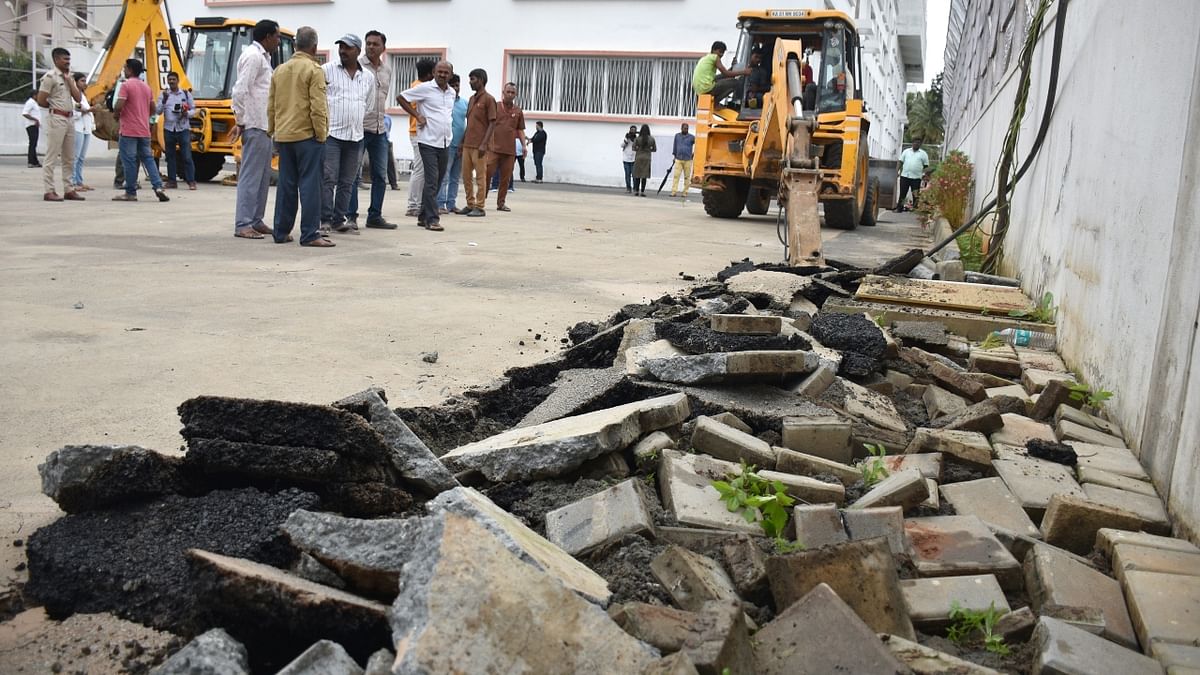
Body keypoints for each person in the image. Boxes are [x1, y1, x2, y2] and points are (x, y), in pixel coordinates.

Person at [268, 26, 331, 247]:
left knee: (286, 185)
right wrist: (321, 135)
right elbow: (318, 107)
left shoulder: (279, 70)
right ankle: (310, 234)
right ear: (314, 46)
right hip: (307, 136)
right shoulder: (314, 70)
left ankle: (281, 231)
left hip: (284, 136)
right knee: (310, 186)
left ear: (295, 45)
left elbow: (272, 105)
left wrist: (272, 130)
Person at [230, 19, 280, 239]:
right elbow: (239, 90)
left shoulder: (263, 58)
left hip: (264, 125)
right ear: (268, 37)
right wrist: (241, 121)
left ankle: (256, 220)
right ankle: (243, 223)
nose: (278, 41)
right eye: (277, 37)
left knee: (262, 177)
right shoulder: (253, 57)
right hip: (254, 124)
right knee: (251, 177)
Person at [321, 34, 374, 235]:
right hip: (332, 134)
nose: (343, 51)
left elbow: (368, 105)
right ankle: (324, 219)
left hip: (355, 136)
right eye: (341, 47)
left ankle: (338, 219)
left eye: (348, 48)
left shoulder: (367, 77)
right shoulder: (327, 71)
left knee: (347, 181)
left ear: (358, 51)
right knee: (329, 178)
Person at [396, 60, 455, 231]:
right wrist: (417, 115)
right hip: (427, 141)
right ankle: (432, 219)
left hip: (444, 141)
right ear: (434, 72)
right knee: (431, 179)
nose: (442, 75)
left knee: (438, 178)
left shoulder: (451, 92)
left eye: (446, 72)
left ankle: (423, 215)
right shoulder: (425, 88)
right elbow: (401, 97)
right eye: (440, 72)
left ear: (450, 75)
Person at [347, 29, 397, 230]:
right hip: (359, 127)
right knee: (352, 175)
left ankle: (374, 216)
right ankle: (350, 216)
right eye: (368, 43)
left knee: (380, 175)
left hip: (379, 129)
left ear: (383, 48)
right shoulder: (356, 67)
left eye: (375, 44)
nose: (371, 47)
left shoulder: (387, 70)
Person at [112, 59, 167, 202]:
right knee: (148, 159)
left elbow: (119, 105)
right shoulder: (146, 87)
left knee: (129, 161)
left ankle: (130, 192)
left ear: (130, 70)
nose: (124, 70)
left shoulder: (126, 85)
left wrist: (116, 115)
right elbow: (153, 109)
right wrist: (143, 116)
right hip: (144, 130)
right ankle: (158, 187)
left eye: (125, 68)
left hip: (129, 130)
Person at [36, 48, 84, 202]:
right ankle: (49, 190)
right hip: (57, 117)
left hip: (70, 119)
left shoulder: (69, 77)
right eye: (65, 59)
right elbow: (41, 100)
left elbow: (78, 98)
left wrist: (71, 82)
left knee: (69, 156)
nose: (68, 62)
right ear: (56, 59)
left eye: (69, 59)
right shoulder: (50, 77)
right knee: (52, 155)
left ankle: (69, 189)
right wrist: (54, 108)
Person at [402, 58, 436, 218]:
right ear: (430, 74)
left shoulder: (417, 84)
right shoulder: (421, 88)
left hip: (422, 132)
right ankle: (413, 205)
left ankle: (419, 203)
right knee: (420, 169)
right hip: (418, 132)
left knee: (423, 169)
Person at [459, 68, 496, 217]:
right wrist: (462, 142)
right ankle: (470, 204)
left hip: (480, 145)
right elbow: (470, 123)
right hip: (468, 143)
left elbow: (492, 123)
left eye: (473, 79)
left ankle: (480, 206)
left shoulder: (489, 99)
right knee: (466, 176)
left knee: (480, 177)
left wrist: (484, 144)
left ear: (481, 80)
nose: (470, 82)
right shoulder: (472, 99)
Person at [485, 82, 526, 212]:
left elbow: (520, 130)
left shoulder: (518, 111)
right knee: (487, 174)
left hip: (510, 150)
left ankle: (501, 203)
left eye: (512, 92)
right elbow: (486, 125)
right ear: (503, 92)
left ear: (516, 94)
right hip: (493, 148)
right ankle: (480, 201)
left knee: (505, 178)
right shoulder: (495, 107)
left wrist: (524, 146)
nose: (510, 95)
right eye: (508, 92)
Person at [156, 71, 197, 190]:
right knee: (170, 156)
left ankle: (191, 181)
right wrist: (163, 101)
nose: (171, 82)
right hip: (169, 128)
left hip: (183, 128)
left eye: (174, 79)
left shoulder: (185, 94)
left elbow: (194, 110)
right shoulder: (164, 95)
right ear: (167, 81)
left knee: (187, 156)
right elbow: (158, 111)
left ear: (178, 81)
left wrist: (186, 113)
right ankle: (172, 181)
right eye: (169, 80)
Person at [436, 73, 467, 214]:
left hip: (461, 145)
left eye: (457, 85)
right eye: (453, 85)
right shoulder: (444, 101)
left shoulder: (464, 103)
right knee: (444, 176)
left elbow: (470, 123)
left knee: (455, 177)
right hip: (447, 144)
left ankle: (451, 203)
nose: (455, 88)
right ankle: (440, 203)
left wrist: (464, 143)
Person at [70, 73, 93, 191]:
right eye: (82, 81)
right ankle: (72, 182)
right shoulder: (72, 96)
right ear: (75, 82)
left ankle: (79, 180)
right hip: (77, 127)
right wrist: (88, 110)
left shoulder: (83, 96)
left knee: (81, 157)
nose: (85, 83)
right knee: (75, 156)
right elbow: (73, 112)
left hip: (85, 129)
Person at [896, 139, 930, 212]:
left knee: (915, 194)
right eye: (915, 142)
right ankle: (899, 208)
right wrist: (896, 171)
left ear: (920, 144)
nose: (916, 144)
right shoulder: (906, 151)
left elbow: (926, 166)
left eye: (918, 143)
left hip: (916, 177)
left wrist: (925, 175)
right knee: (902, 193)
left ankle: (915, 208)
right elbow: (900, 162)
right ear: (912, 143)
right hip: (905, 176)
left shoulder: (923, 154)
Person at [670, 123, 694, 197]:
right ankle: (674, 192)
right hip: (678, 158)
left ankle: (685, 192)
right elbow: (675, 146)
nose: (685, 129)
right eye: (684, 128)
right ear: (681, 128)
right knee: (676, 176)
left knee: (687, 177)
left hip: (688, 159)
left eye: (687, 128)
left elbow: (699, 144)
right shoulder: (677, 136)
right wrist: (674, 156)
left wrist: (694, 154)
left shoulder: (692, 137)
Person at [631, 124, 656, 197]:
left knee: (637, 175)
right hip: (647, 158)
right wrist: (649, 149)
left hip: (638, 157)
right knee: (644, 176)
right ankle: (642, 191)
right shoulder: (651, 139)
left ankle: (636, 191)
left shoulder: (638, 139)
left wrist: (639, 149)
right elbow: (654, 149)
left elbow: (633, 148)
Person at [22, 91, 41, 168]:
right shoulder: (30, 102)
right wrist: (35, 119)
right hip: (31, 125)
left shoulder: (34, 103)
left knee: (34, 144)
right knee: (32, 144)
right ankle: (30, 161)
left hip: (35, 125)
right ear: (34, 95)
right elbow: (25, 113)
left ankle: (35, 161)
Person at [621, 125, 636, 194]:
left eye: (634, 130)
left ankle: (635, 188)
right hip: (626, 159)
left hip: (633, 159)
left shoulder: (636, 138)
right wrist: (626, 140)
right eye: (632, 130)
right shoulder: (626, 137)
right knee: (627, 174)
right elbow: (622, 145)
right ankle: (628, 188)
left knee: (634, 175)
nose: (633, 131)